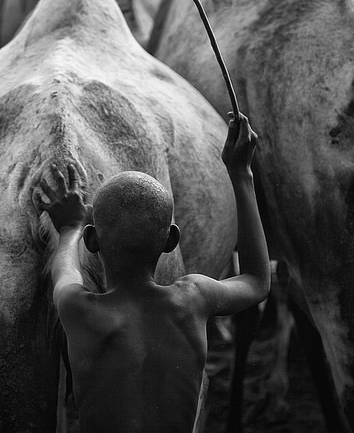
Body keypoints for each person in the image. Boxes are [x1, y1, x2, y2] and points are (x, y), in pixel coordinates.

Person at [35, 113, 270, 433]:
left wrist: (70, 227)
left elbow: (65, 267)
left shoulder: (78, 309)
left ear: (92, 241)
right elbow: (257, 280)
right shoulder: (195, 298)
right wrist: (242, 173)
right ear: (171, 241)